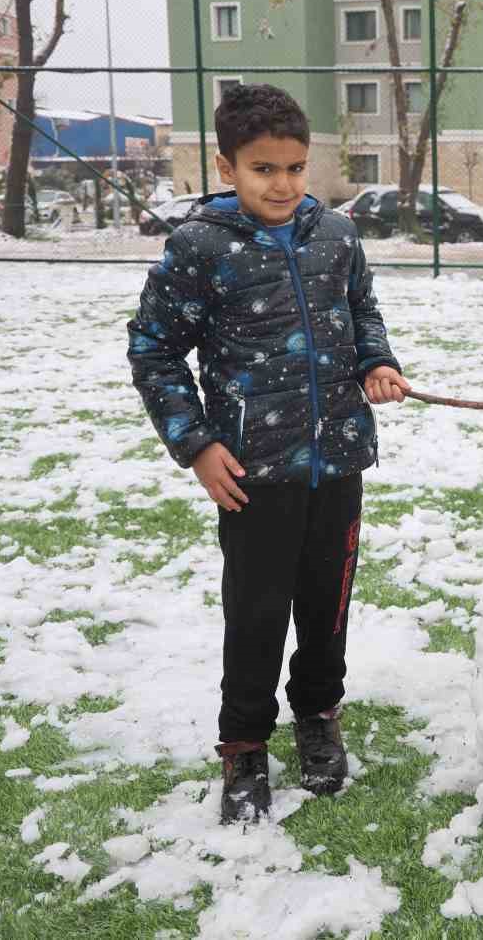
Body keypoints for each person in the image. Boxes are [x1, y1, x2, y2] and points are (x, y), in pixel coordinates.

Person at [127, 83, 409, 823]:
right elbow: (154, 351)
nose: (282, 184)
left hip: (338, 458)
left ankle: (318, 716)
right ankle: (244, 747)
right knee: (256, 613)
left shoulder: (337, 236)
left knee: (328, 604)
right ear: (227, 166)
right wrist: (196, 445)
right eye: (264, 169)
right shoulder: (199, 248)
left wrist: (375, 362)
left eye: (295, 167)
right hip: (254, 473)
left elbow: (361, 311)